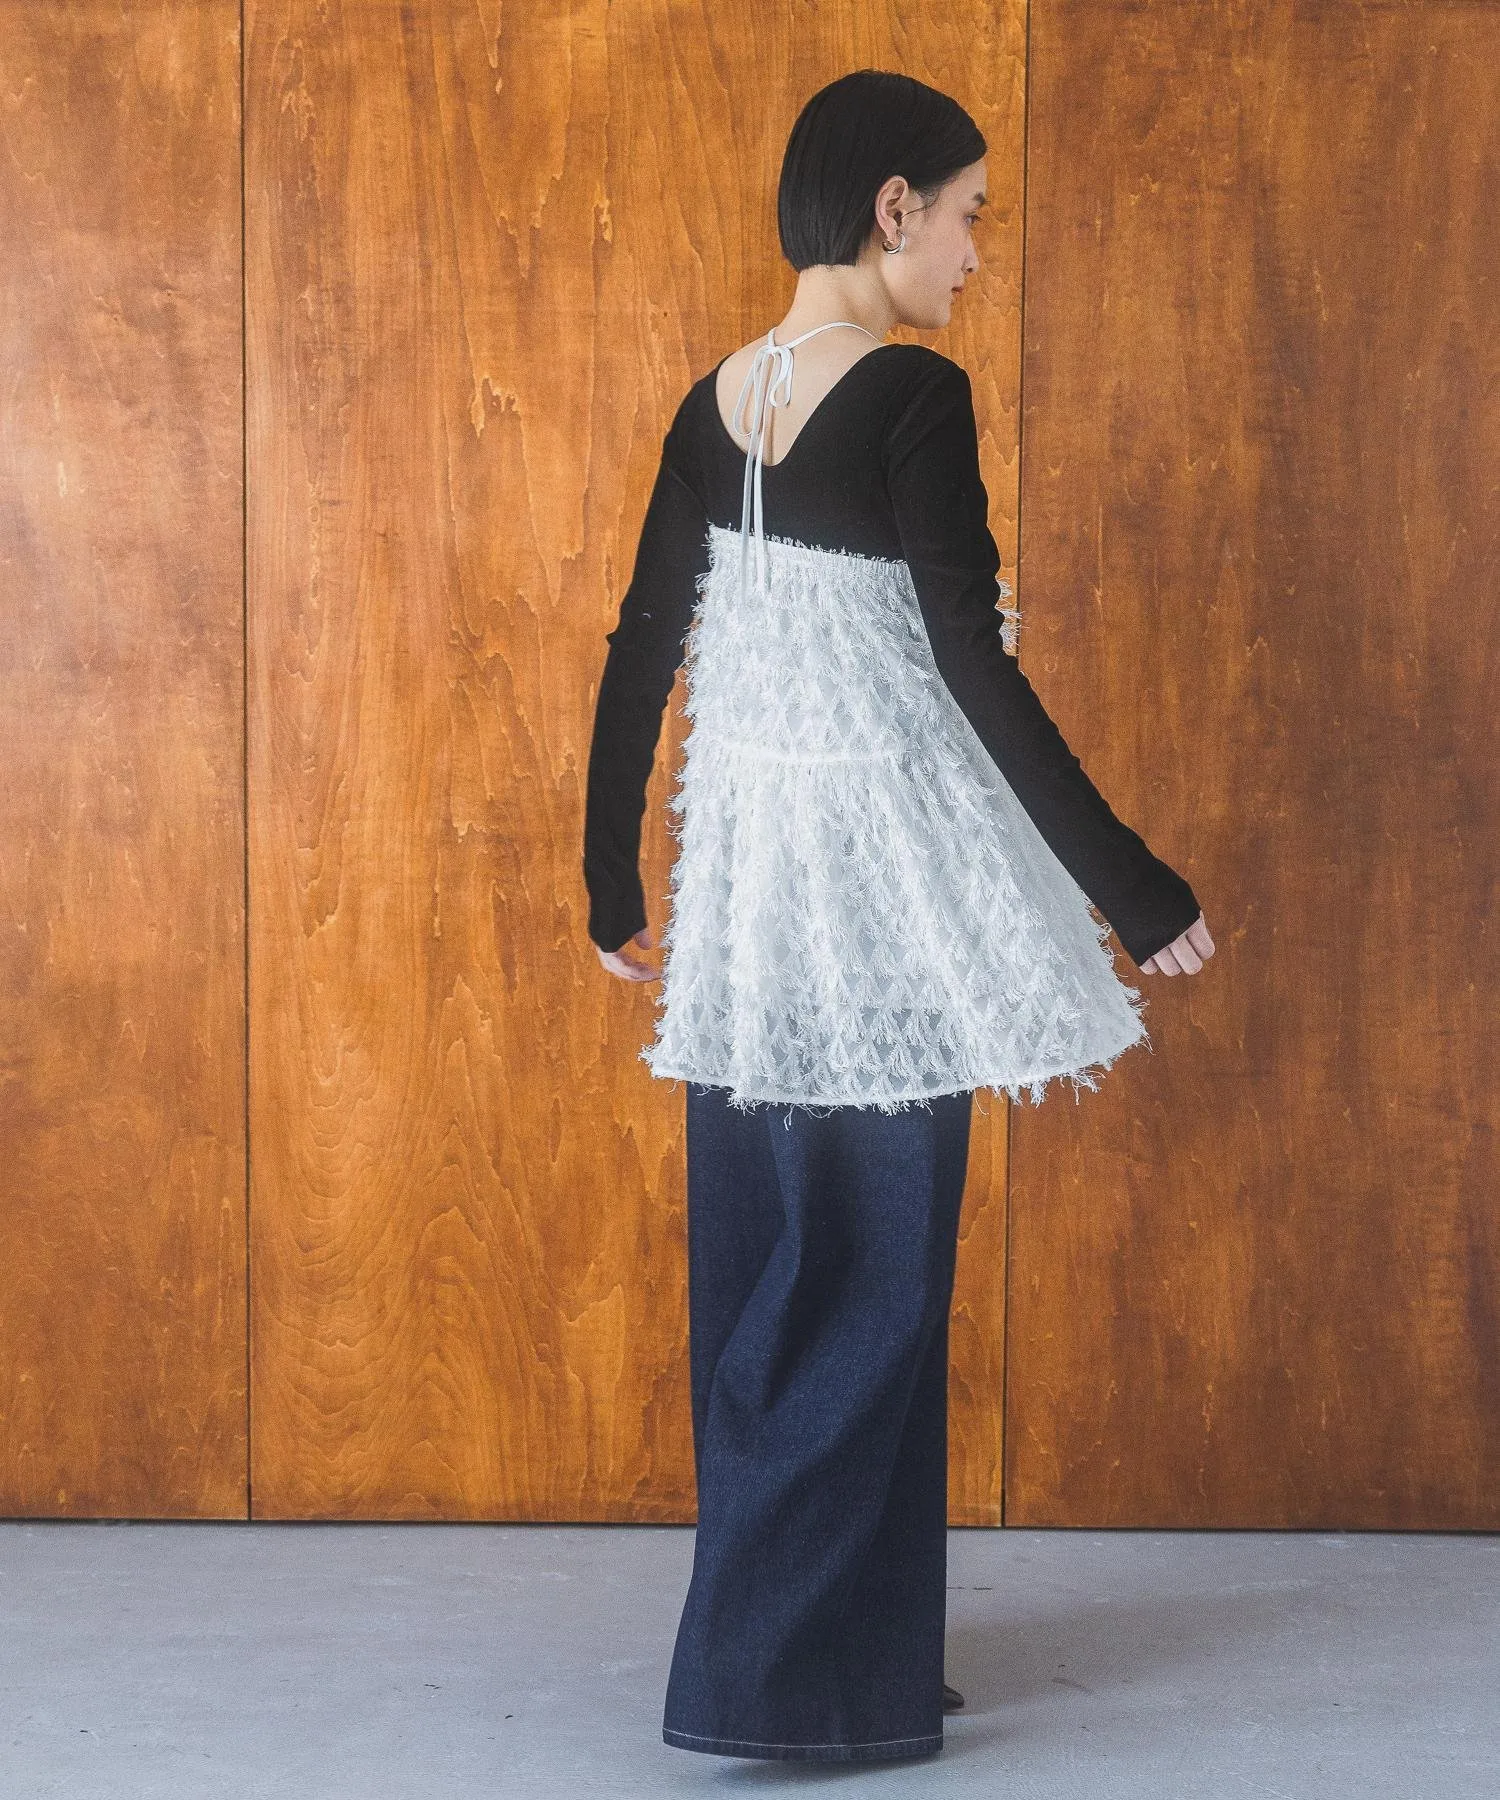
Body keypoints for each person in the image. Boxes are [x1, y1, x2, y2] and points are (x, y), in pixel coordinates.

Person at [582, 68, 1214, 1765]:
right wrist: (1132, 888)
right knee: (872, 1280)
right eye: (970, 218)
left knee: (770, 1276)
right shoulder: (916, 396)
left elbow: (644, 639)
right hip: (880, 909)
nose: (976, 256)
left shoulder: (716, 401)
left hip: (746, 916)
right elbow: (970, 668)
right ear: (893, 210)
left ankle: (856, 1659)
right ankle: (770, 1685)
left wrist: (608, 877)